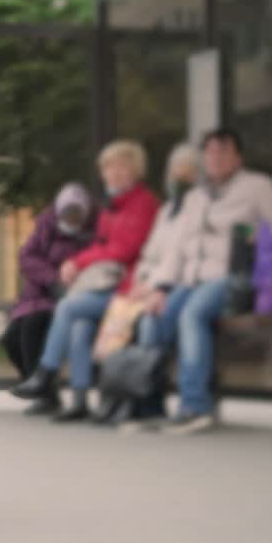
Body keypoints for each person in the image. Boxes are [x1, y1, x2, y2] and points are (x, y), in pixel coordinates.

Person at [134, 128, 272, 434]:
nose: (216, 157)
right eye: (210, 152)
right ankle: (150, 407)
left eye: (223, 151)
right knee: (153, 317)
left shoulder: (258, 187)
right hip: (191, 280)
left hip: (235, 278)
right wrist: (160, 288)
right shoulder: (194, 198)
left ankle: (195, 406)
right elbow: (176, 250)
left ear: (238, 157)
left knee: (192, 313)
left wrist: (255, 235)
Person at [11, 141, 160, 421]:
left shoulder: (143, 204)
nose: (112, 174)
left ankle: (46, 373)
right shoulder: (112, 208)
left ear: (135, 170)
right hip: (112, 286)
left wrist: (78, 262)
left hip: (130, 289)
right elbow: (101, 247)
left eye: (120, 167)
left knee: (68, 307)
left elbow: (125, 249)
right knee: (79, 325)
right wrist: (75, 263)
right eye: (108, 168)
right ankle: (79, 400)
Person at [111, 143, 199, 425]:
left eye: (186, 175)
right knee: (129, 317)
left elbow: (182, 259)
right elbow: (150, 255)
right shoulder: (166, 211)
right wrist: (142, 282)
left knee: (150, 321)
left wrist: (157, 288)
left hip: (177, 285)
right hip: (153, 286)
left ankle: (149, 401)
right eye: (175, 173)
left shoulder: (198, 211)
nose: (178, 180)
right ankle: (133, 401)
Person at [1, 182, 94, 415]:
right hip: (40, 292)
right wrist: (52, 279)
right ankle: (41, 390)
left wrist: (67, 282)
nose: (71, 222)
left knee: (32, 327)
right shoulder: (46, 225)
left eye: (76, 218)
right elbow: (27, 257)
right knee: (11, 338)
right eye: (67, 216)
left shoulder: (90, 234)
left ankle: (44, 392)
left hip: (69, 297)